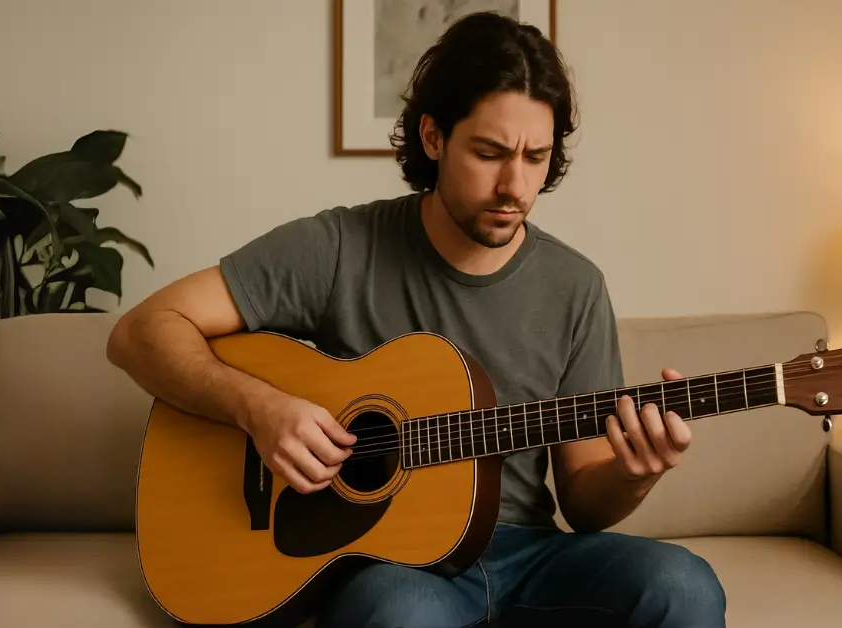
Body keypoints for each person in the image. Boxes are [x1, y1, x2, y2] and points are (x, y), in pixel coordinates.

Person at [106, 11, 725, 628]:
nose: (515, 184)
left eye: (536, 157)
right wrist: (259, 408)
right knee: (396, 614)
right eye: (489, 153)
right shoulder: (339, 247)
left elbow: (586, 505)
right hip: (393, 569)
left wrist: (634, 474)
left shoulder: (576, 286)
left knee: (683, 585)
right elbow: (140, 332)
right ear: (433, 137)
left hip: (527, 553)